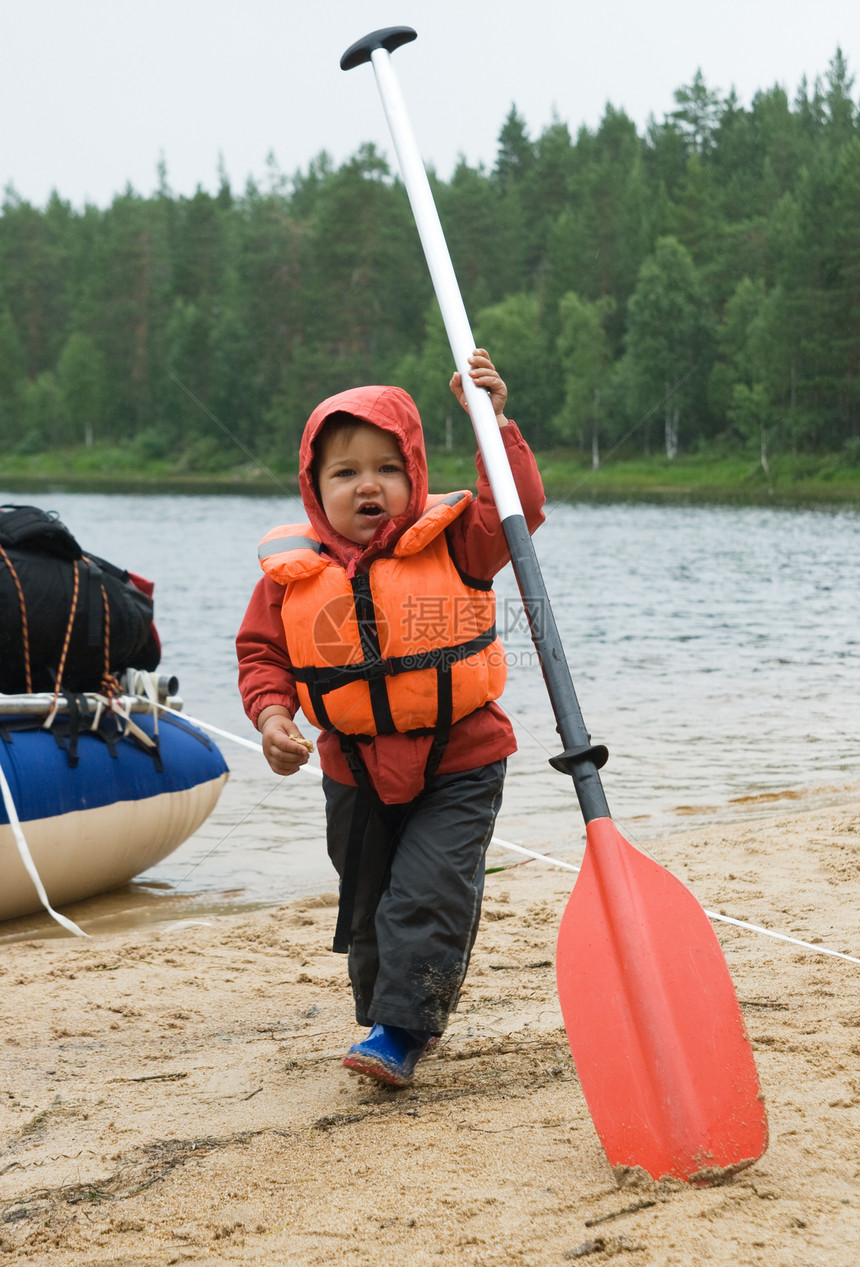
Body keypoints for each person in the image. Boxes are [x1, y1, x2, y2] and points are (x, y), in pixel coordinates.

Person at [236, 350, 545, 1087]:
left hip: (459, 758)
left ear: (414, 474)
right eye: (344, 473)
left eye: (386, 468)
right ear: (314, 489)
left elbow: (519, 508)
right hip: (355, 768)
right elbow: (262, 654)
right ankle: (388, 1014)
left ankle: (402, 1029)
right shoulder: (292, 576)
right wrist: (273, 714)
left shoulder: (457, 540)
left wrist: (492, 420)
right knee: (370, 899)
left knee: (429, 888)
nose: (367, 485)